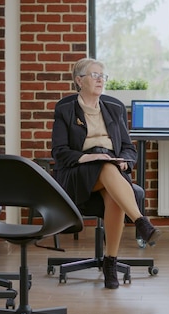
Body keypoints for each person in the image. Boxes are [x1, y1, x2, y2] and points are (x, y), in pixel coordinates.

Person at [51, 58, 161, 289]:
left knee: (113, 190)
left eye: (103, 75)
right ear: (79, 80)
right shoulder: (65, 110)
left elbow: (129, 148)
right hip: (78, 172)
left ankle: (110, 262)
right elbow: (59, 153)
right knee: (104, 165)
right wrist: (89, 157)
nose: (101, 79)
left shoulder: (114, 108)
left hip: (112, 169)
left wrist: (125, 163)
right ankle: (140, 221)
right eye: (95, 75)